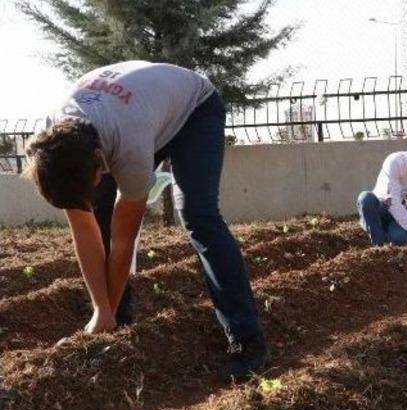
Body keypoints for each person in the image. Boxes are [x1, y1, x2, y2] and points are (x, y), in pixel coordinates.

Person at [23, 61, 267, 379]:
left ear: (99, 160)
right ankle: (114, 322)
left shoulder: (129, 144)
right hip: (138, 108)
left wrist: (104, 308)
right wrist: (101, 309)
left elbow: (124, 240)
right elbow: (84, 230)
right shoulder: (53, 148)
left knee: (198, 215)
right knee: (98, 213)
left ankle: (247, 339)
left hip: (194, 109)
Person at [356, 132, 407, 246]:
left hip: (405, 212)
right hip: (381, 208)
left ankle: (378, 228)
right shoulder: (395, 162)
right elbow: (392, 201)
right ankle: (379, 245)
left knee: (400, 238)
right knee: (366, 198)